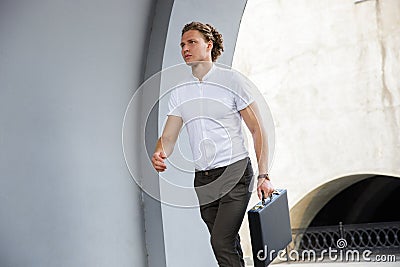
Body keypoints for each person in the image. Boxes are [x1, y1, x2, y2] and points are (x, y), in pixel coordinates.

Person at [151, 21, 274, 267]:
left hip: (235, 173)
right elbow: (169, 137)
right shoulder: (179, 91)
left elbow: (257, 129)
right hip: (203, 180)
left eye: (192, 42)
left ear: (209, 45)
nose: (185, 48)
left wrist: (264, 174)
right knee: (226, 243)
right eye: (182, 44)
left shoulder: (231, 81)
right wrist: (159, 152)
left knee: (220, 242)